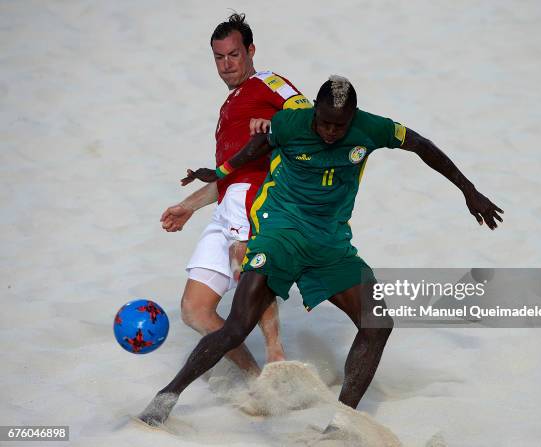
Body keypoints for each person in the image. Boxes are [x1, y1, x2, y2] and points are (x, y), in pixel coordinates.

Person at [139, 75, 504, 426]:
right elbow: (258, 146)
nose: (331, 133)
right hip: (280, 232)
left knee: (378, 323)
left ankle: (342, 424)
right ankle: (165, 398)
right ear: (315, 112)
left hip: (330, 241)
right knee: (236, 326)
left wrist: (468, 190)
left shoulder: (372, 128)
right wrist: (219, 171)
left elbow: (421, 144)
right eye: (325, 124)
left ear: (353, 119)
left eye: (339, 127)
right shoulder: (289, 123)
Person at [160, 13, 311, 376]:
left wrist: (274, 125)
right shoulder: (229, 105)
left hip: (255, 196)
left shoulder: (267, 83)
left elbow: (309, 117)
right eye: (219, 57)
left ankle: (276, 357)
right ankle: (255, 378)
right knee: (194, 310)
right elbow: (229, 175)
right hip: (226, 205)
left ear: (251, 51)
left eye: (234, 55)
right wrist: (189, 205)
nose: (227, 65)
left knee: (248, 264)